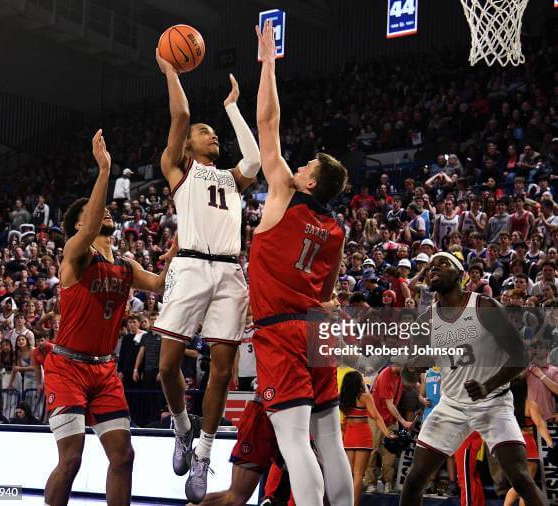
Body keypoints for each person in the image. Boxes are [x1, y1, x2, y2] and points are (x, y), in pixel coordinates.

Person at [250, 20, 353, 506]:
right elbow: (329, 291)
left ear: (309, 183)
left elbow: (267, 124)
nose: (298, 167)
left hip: (281, 330)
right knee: (330, 439)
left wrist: (268, 63)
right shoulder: (336, 230)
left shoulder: (283, 196)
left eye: (306, 166)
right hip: (317, 329)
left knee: (294, 441)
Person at [154, 46, 260, 502]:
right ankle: (181, 427)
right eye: (205, 131)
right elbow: (180, 115)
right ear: (189, 145)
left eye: (214, 133)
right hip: (192, 265)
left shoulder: (232, 178)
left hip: (229, 272)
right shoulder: (178, 170)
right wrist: (169, 71)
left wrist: (233, 109)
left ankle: (204, 451)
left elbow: (254, 160)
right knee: (165, 367)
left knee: (222, 370)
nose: (211, 135)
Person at [42, 131, 169, 506]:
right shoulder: (76, 256)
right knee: (72, 460)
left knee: (123, 456)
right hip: (67, 367)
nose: (106, 213)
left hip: (104, 371)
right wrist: (104, 172)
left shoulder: (126, 265)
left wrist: (178, 252)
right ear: (81, 225)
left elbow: (161, 285)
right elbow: (91, 220)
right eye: (94, 213)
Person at [399, 252, 548, 506]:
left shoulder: (484, 307)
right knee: (414, 480)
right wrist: (412, 368)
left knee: (521, 478)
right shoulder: (426, 322)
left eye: (443, 263)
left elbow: (521, 356)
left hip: (493, 402)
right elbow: (406, 375)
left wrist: (488, 385)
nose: (433, 268)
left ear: (460, 275)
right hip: (452, 405)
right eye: (430, 265)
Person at [340, 371, 393, 506]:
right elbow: (376, 416)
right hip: (362, 435)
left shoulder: (342, 398)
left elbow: (342, 421)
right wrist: (387, 433)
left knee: (348, 474)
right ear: (359, 383)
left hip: (348, 436)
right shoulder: (365, 397)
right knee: (358, 475)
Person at [504, 376, 554, 506]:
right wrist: (550, 442)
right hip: (528, 446)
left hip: (511, 446)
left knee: (525, 486)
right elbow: (540, 425)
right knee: (523, 485)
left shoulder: (505, 405)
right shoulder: (530, 404)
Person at [364, 361, 412, 494]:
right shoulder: (385, 375)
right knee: (372, 451)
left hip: (390, 420)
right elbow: (390, 405)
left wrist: (420, 396)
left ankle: (388, 482)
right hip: (375, 418)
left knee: (390, 452)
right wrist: (403, 421)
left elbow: (411, 386)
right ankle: (370, 483)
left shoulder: (400, 375)